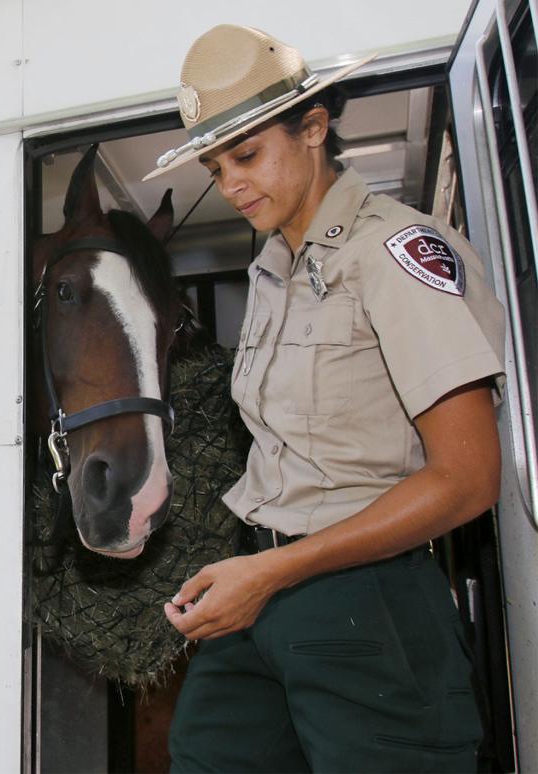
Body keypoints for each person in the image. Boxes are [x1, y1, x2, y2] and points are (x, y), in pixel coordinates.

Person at [144, 25, 506, 772]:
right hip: (259, 590)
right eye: (216, 165)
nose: (232, 182)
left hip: (363, 596)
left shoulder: (393, 253)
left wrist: (274, 573)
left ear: (314, 127)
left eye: (245, 154)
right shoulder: (275, 270)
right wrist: (251, 573)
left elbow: (467, 480)